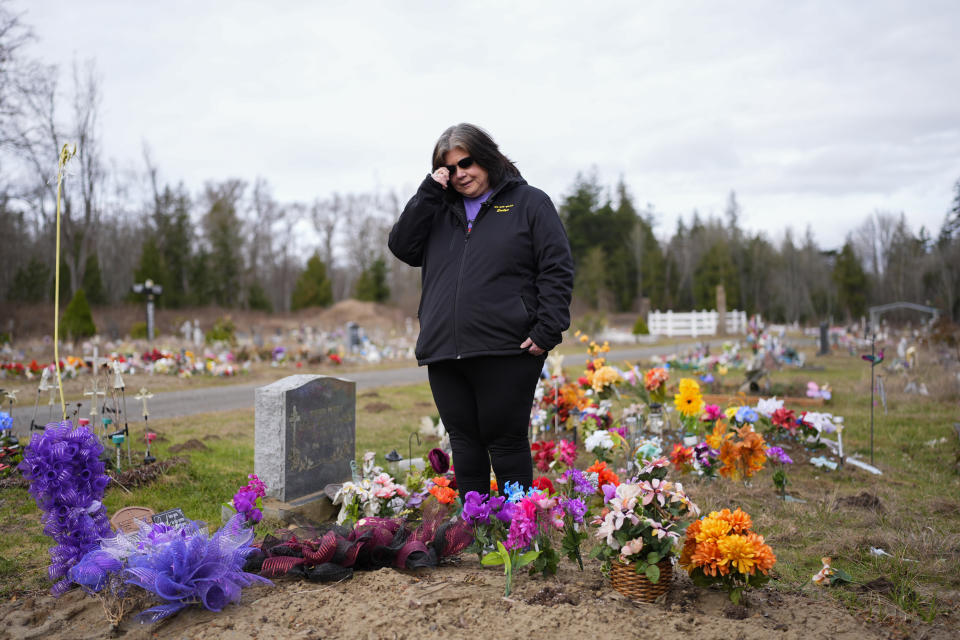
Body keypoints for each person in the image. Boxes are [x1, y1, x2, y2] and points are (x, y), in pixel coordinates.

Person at [388, 123, 574, 497]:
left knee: (505, 441)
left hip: (507, 347)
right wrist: (429, 190)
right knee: (464, 443)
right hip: (445, 348)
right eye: (450, 168)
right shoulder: (437, 208)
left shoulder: (529, 203)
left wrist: (546, 330)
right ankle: (477, 530)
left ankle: (517, 535)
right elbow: (402, 246)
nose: (460, 174)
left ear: (486, 157)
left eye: (467, 163)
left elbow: (557, 268)